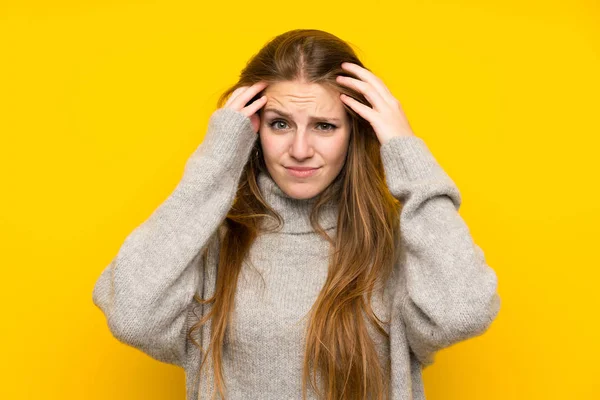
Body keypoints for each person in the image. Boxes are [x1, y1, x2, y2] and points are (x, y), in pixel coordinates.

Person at [92, 29, 501, 400]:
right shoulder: (210, 247)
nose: (301, 149)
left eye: (324, 126)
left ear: (356, 132)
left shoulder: (399, 246)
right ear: (251, 130)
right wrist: (214, 164)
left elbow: (461, 312)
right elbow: (132, 315)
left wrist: (405, 148)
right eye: (280, 123)